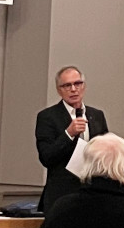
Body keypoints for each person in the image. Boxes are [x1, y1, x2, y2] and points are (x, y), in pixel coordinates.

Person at [35, 66, 108, 211]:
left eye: (77, 84)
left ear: (84, 86)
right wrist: (68, 134)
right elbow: (47, 157)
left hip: (93, 192)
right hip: (62, 195)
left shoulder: (97, 115)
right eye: (67, 85)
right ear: (58, 90)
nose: (73, 89)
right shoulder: (48, 117)